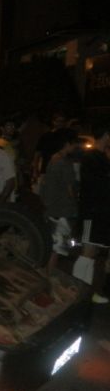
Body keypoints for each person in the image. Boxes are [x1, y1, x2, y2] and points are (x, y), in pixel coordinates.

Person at [72, 122, 110, 304]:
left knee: (93, 252)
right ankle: (76, 292)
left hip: (101, 213)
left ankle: (85, 293)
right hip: (91, 213)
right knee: (88, 252)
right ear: (106, 135)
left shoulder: (102, 157)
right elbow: (92, 187)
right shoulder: (91, 158)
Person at [40, 128, 79, 275]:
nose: (76, 146)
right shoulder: (65, 163)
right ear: (67, 144)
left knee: (52, 244)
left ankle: (47, 274)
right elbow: (70, 189)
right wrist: (76, 202)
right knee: (57, 247)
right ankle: (49, 277)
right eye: (74, 143)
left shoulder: (53, 159)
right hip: (62, 209)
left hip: (51, 208)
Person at [31, 112, 68, 190]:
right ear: (53, 122)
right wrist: (35, 170)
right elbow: (37, 154)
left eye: (62, 121)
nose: (60, 123)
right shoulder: (46, 136)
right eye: (58, 121)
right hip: (47, 169)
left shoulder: (68, 135)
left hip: (63, 170)